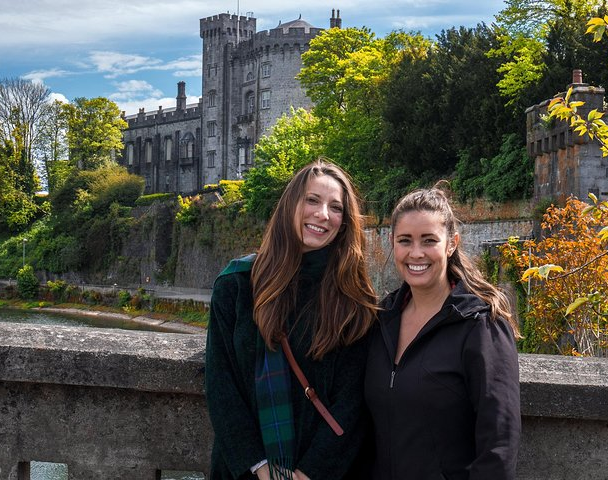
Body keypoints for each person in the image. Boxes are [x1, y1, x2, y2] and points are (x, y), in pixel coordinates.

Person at [206, 159, 377, 480]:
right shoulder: (237, 285)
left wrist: (309, 472)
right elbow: (220, 384)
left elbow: (352, 402)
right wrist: (259, 466)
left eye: (336, 207)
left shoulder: (354, 301)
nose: (323, 214)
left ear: (345, 222)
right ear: (290, 206)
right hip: (243, 471)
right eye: (312, 200)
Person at [364, 183, 521, 480]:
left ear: (451, 244)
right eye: (405, 241)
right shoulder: (381, 321)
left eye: (429, 240)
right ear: (392, 243)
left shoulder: (481, 325)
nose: (416, 253)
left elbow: (499, 444)